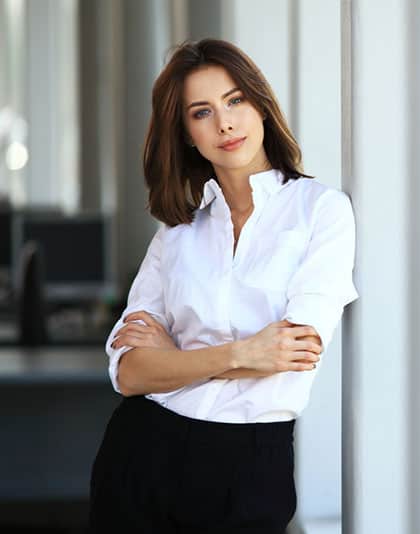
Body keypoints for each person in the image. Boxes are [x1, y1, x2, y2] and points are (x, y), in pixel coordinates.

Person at [86, 38, 359, 533]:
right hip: (143, 452)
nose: (225, 123)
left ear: (261, 104)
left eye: (235, 101)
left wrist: (175, 357)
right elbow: (128, 373)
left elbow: (292, 352)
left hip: (250, 461)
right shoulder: (177, 232)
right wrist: (238, 354)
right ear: (187, 133)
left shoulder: (320, 211)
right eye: (201, 112)